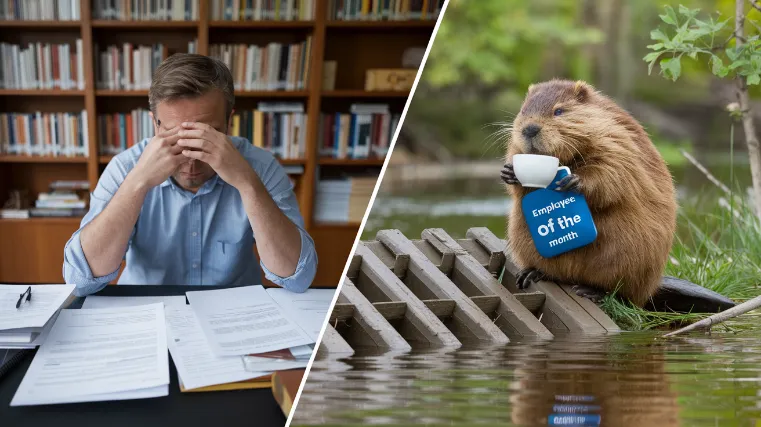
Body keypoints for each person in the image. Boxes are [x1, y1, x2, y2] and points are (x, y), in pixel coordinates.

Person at [63, 53, 317, 296]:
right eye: (175, 136)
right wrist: (138, 183)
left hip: (231, 314)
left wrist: (247, 184)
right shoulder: (126, 167)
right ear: (155, 123)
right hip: (149, 311)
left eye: (207, 135)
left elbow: (297, 277)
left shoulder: (259, 166)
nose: (191, 157)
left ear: (229, 121)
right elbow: (80, 280)